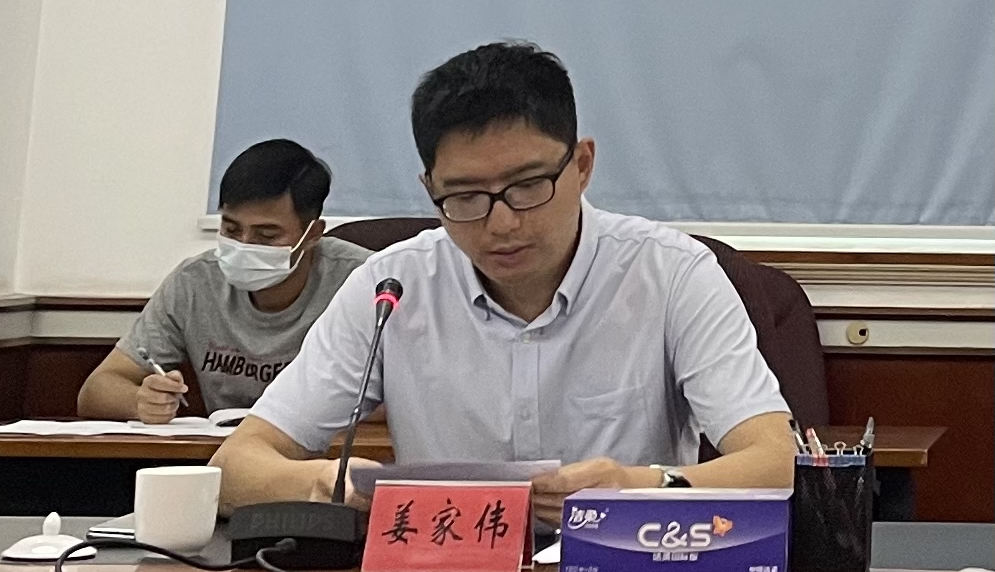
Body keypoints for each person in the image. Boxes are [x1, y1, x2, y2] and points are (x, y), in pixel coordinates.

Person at [210, 43, 795, 524]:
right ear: (430, 188)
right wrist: (322, 482)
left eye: (528, 186)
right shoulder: (391, 287)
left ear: (582, 165)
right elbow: (235, 467)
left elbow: (776, 462)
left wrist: (638, 486)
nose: (502, 223)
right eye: (465, 196)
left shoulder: (671, 274)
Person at [78, 139, 372, 424]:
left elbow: (393, 400)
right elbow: (96, 389)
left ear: (313, 234)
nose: (244, 244)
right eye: (231, 229)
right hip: (224, 449)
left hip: (329, 450)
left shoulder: (366, 281)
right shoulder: (195, 282)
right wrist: (140, 401)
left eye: (266, 235)